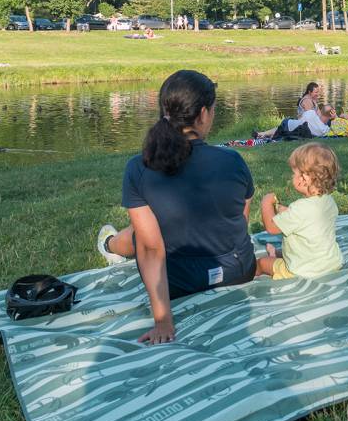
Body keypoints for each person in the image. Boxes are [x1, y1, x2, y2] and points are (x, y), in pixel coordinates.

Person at [96, 70, 256, 344]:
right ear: (203, 113)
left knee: (140, 234)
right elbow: (240, 219)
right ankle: (109, 244)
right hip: (238, 272)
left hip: (179, 285)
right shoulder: (233, 160)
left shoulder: (138, 168)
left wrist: (163, 321)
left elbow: (150, 247)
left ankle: (108, 244)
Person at [255, 143, 343, 280]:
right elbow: (307, 220)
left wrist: (266, 202)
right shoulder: (329, 202)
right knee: (281, 252)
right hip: (331, 263)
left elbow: (272, 228)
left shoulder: (300, 208)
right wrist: (284, 210)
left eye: (294, 173)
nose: (292, 177)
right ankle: (276, 254)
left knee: (261, 263)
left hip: (302, 270)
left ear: (305, 179)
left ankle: (245, 279)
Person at [256, 104, 336, 140]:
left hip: (288, 125)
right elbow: (337, 129)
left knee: (286, 124)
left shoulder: (311, 113)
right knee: (282, 129)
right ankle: (263, 134)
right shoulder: (324, 130)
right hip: (294, 133)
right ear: (330, 115)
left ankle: (262, 134)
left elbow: (299, 118)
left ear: (321, 110)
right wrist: (334, 118)